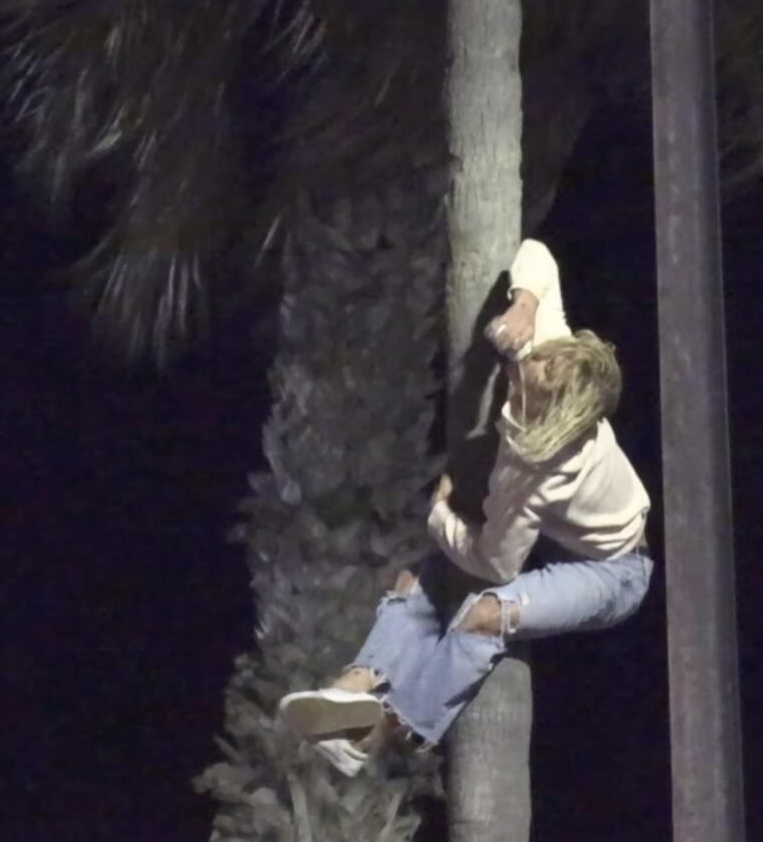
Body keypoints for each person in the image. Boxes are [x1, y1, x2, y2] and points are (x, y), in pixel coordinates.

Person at [278, 239, 654, 774]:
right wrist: (524, 305)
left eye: (537, 371)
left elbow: (496, 565)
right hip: (555, 540)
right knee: (415, 580)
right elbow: (541, 254)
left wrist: (440, 514)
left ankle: (383, 731)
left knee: (484, 615)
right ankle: (352, 688)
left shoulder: (534, 472)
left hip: (615, 571)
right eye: (543, 356)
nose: (529, 360)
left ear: (550, 411)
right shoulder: (549, 358)